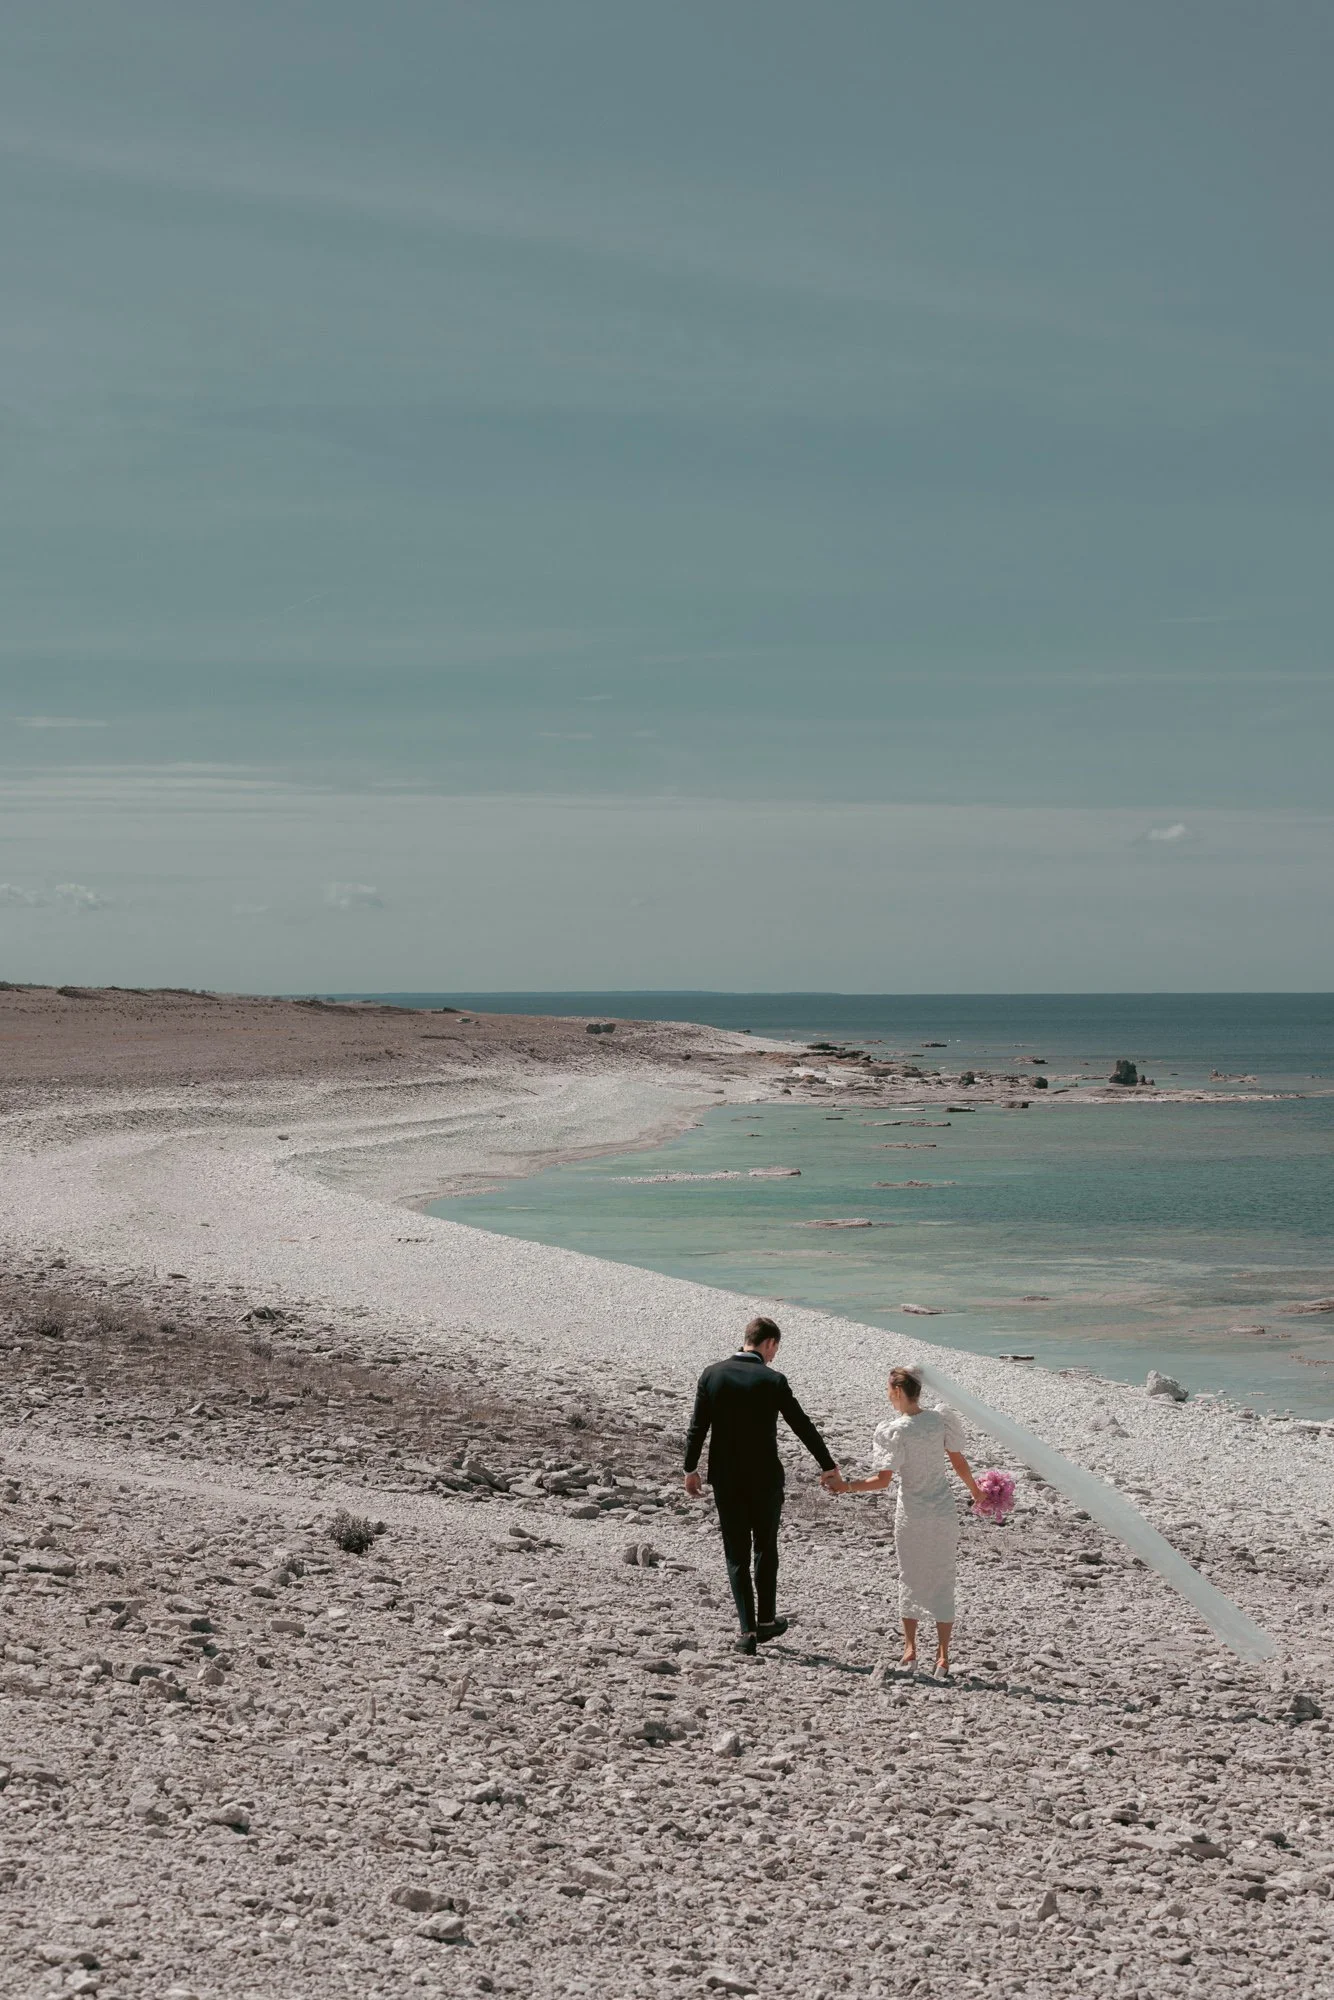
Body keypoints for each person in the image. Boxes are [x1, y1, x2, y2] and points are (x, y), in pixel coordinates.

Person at [684, 1315, 842, 1655]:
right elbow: (801, 1424)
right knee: (765, 1548)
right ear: (768, 1343)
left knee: (736, 1552)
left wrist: (690, 1468)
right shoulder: (773, 1380)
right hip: (765, 1478)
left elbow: (698, 1427)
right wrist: (827, 1465)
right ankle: (767, 1619)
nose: (774, 1357)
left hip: (726, 1478)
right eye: (775, 1349)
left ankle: (747, 1632)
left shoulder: (712, 1374)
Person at [832, 1365, 982, 1677]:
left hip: (912, 1513)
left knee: (910, 1575)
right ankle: (943, 1656)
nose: (887, 1396)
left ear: (899, 1391)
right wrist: (977, 1491)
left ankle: (911, 1650)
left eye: (889, 1390)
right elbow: (959, 1462)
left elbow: (882, 1481)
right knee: (943, 1576)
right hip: (943, 1511)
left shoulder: (895, 1430)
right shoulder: (941, 1420)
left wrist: (846, 1486)